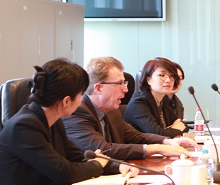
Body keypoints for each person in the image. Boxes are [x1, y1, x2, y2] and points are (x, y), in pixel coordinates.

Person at [0, 58, 131, 185]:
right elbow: (64, 172)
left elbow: (76, 157)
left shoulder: (53, 121)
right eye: (81, 94)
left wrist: (117, 166)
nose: (82, 100)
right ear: (66, 101)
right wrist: (98, 164)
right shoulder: (24, 126)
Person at [64, 56, 195, 161]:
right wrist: (157, 148)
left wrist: (167, 142)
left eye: (125, 83)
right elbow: (102, 149)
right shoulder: (76, 112)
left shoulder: (112, 111)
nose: (126, 89)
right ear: (98, 88)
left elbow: (137, 136)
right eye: (120, 83)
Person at [124, 57, 188, 138]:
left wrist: (170, 130)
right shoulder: (139, 103)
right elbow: (157, 134)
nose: (168, 80)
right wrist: (174, 128)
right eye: (162, 75)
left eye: (171, 76)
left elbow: (183, 125)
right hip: (141, 146)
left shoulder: (162, 99)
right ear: (149, 80)